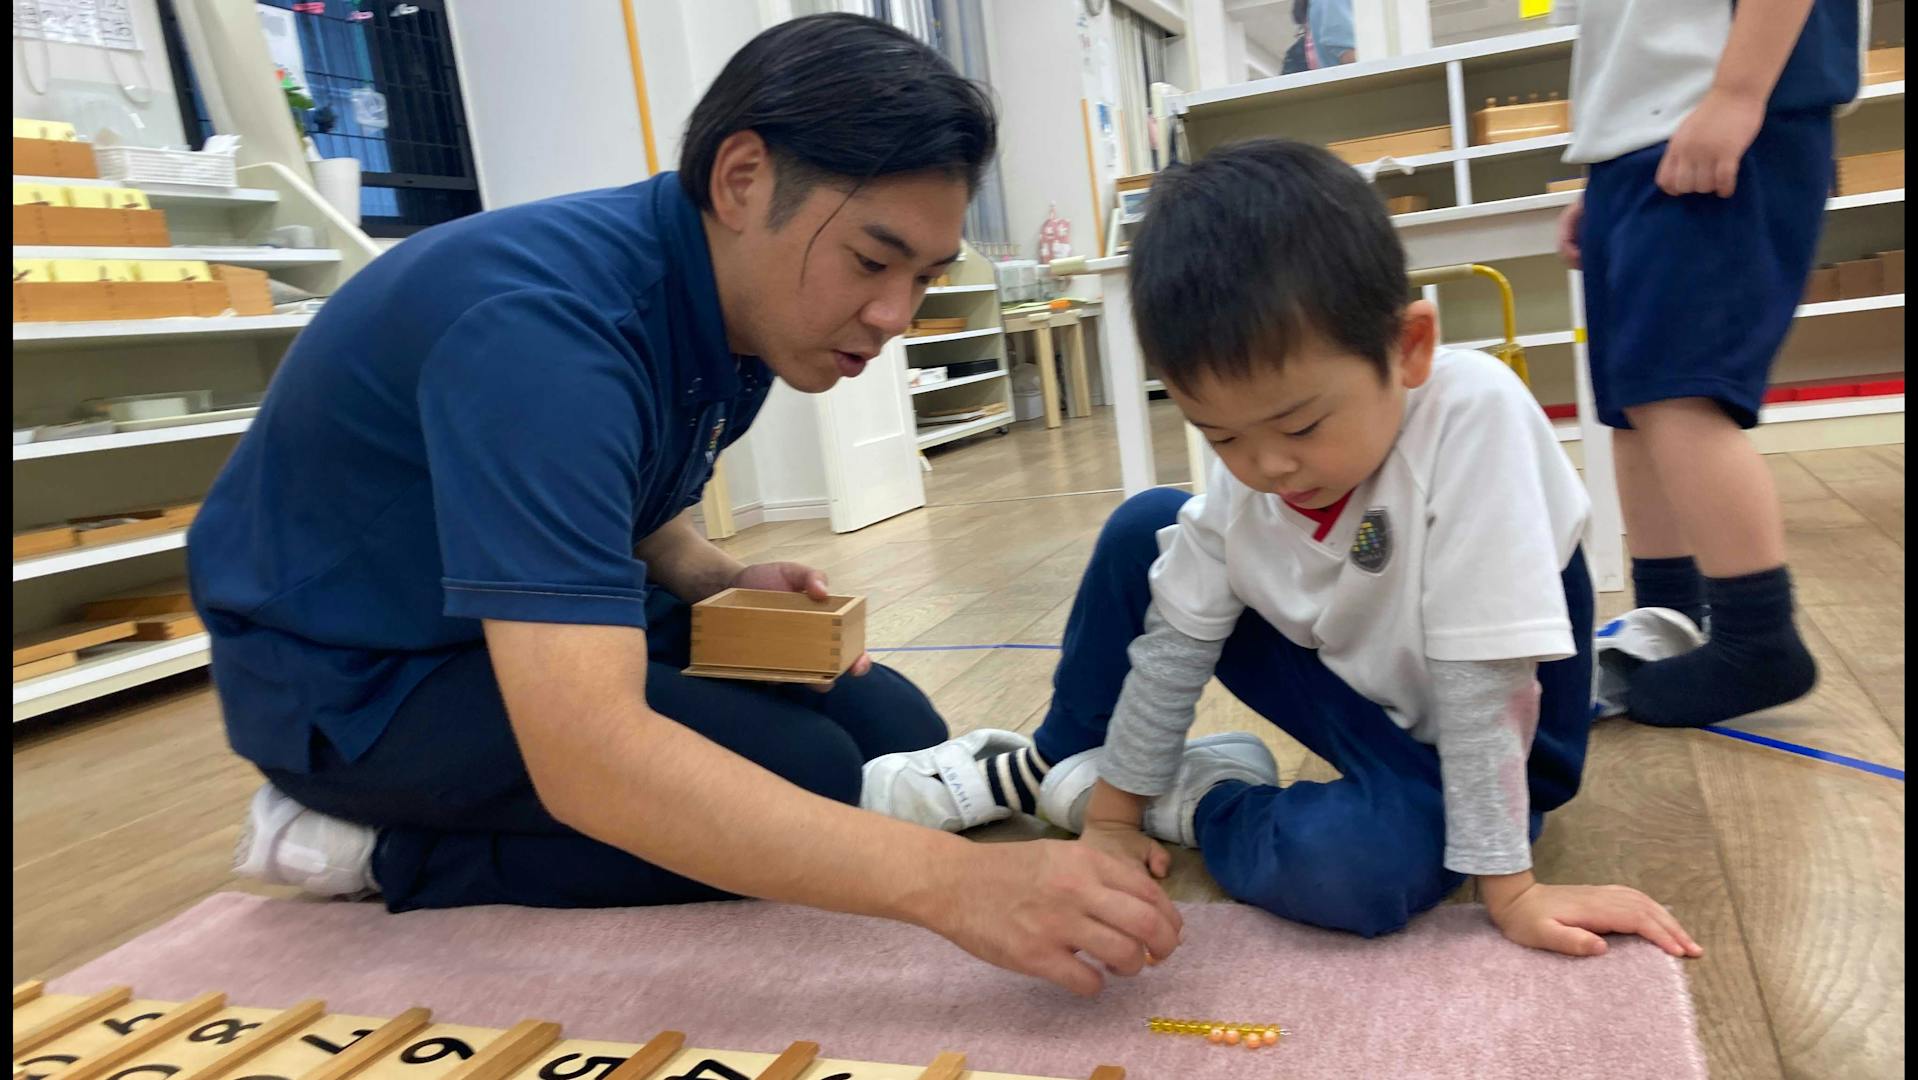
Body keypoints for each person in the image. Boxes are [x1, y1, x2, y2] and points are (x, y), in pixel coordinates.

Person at [193, 13, 1181, 998]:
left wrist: (716, 576)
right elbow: (591, 760)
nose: (892, 316)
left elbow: (621, 486)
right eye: (871, 263)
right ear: (742, 179)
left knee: (893, 729)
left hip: (491, 616)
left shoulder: (729, 311)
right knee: (802, 782)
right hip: (355, 680)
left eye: (922, 278)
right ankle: (367, 848)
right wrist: (961, 890)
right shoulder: (547, 338)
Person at [864, 139, 1703, 960]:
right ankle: (1061, 760)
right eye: (1221, 433)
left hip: (1484, 734)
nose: (1266, 466)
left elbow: (1487, 687)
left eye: (1300, 424)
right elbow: (1174, 647)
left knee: (1358, 872)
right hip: (1356, 690)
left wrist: (1512, 891)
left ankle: (1201, 798)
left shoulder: (1474, 413)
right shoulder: (1262, 470)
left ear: (1408, 347)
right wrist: (1111, 822)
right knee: (1145, 526)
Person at [1553, 0, 1862, 728]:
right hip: (1644, 142)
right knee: (1632, 404)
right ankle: (1666, 620)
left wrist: (1738, 94)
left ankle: (1758, 639)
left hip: (1719, 117)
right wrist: (1608, 163)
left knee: (1678, 395)